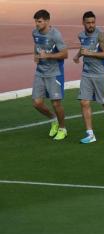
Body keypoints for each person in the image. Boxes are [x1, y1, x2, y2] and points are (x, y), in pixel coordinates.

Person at [73, 11, 104, 144]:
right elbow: (83, 48)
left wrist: (90, 53)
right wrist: (77, 56)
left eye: (93, 22)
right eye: (88, 23)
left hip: (101, 74)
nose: (91, 25)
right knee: (84, 102)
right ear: (83, 23)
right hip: (86, 73)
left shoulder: (100, 35)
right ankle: (90, 133)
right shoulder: (81, 35)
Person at [32, 9, 68, 140]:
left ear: (47, 21)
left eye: (39, 21)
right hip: (40, 72)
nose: (37, 24)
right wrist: (35, 55)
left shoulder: (55, 35)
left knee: (56, 104)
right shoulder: (35, 32)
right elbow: (36, 45)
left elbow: (65, 54)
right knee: (36, 103)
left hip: (54, 73)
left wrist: (47, 55)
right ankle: (54, 119)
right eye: (36, 21)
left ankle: (63, 128)